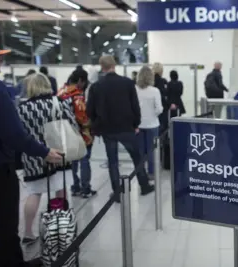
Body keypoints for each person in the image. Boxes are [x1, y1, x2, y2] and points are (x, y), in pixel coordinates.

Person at [0, 40, 63, 267]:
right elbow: (12, 133)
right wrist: (43, 152)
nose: (1, 60)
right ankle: (12, 265)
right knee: (3, 224)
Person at [17, 73, 77, 245]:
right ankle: (61, 227)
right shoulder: (59, 103)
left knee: (34, 192)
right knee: (60, 188)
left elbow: (19, 134)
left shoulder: (22, 108)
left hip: (33, 156)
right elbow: (71, 125)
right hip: (58, 154)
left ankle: (28, 232)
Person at [87, 55, 154, 202]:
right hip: (126, 127)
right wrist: (136, 124)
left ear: (101, 66)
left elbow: (90, 110)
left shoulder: (96, 86)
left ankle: (117, 192)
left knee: (113, 161)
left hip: (107, 130)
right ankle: (144, 185)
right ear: (114, 65)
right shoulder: (127, 83)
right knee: (136, 157)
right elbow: (135, 106)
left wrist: (97, 125)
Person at [58, 68, 96, 198]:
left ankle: (75, 187)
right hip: (80, 133)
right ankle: (86, 189)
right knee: (84, 160)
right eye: (84, 83)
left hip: (65, 132)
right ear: (80, 80)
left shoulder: (61, 91)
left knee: (73, 161)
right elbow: (82, 117)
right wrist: (91, 125)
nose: (84, 86)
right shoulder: (77, 94)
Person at [136, 66, 163, 178]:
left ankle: (140, 173)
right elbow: (159, 109)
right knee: (152, 151)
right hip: (152, 124)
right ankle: (151, 172)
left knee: (140, 151)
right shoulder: (155, 91)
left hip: (139, 125)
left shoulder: (134, 89)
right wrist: (152, 115)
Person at [152, 63, 168, 133]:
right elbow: (165, 94)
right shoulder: (162, 81)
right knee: (162, 127)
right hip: (161, 108)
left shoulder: (150, 81)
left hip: (151, 108)